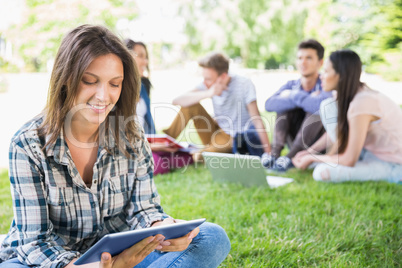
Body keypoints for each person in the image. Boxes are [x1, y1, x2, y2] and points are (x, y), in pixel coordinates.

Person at [0, 25, 230, 267]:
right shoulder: (28, 144)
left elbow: (144, 209)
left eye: (114, 84)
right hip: (58, 262)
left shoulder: (130, 134)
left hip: (123, 257)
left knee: (211, 237)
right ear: (66, 78)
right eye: (90, 81)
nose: (103, 96)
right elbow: (35, 243)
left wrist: (160, 227)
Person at [292, 49, 402, 183]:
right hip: (370, 154)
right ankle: (335, 159)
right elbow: (339, 131)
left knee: (321, 172)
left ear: (341, 75)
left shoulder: (362, 102)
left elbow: (349, 160)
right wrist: (310, 152)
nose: (321, 76)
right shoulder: (351, 96)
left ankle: (336, 160)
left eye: (326, 71)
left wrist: (313, 158)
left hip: (393, 164)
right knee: (329, 106)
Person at [163, 52, 272, 162]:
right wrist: (208, 93)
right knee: (190, 106)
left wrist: (268, 153)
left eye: (209, 79)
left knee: (201, 156)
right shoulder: (208, 85)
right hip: (216, 131)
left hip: (233, 138)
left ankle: (197, 153)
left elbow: (257, 120)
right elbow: (176, 101)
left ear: (223, 76)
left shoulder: (244, 84)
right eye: (204, 78)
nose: (205, 82)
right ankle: (164, 143)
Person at [124, 39, 193, 175]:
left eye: (146, 57)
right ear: (127, 57)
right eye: (140, 56)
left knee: (186, 157)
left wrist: (157, 143)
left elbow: (147, 121)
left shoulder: (143, 86)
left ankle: (155, 154)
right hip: (129, 146)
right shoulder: (118, 88)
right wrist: (150, 146)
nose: (145, 62)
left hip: (147, 140)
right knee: (160, 166)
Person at [264, 39, 332, 172]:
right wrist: (305, 99)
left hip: (317, 145)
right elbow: (269, 104)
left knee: (316, 109)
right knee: (282, 107)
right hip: (295, 138)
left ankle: (291, 156)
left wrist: (293, 96)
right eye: (300, 58)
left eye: (309, 58)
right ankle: (275, 153)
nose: (303, 62)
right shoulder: (291, 85)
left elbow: (320, 107)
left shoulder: (326, 84)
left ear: (320, 62)